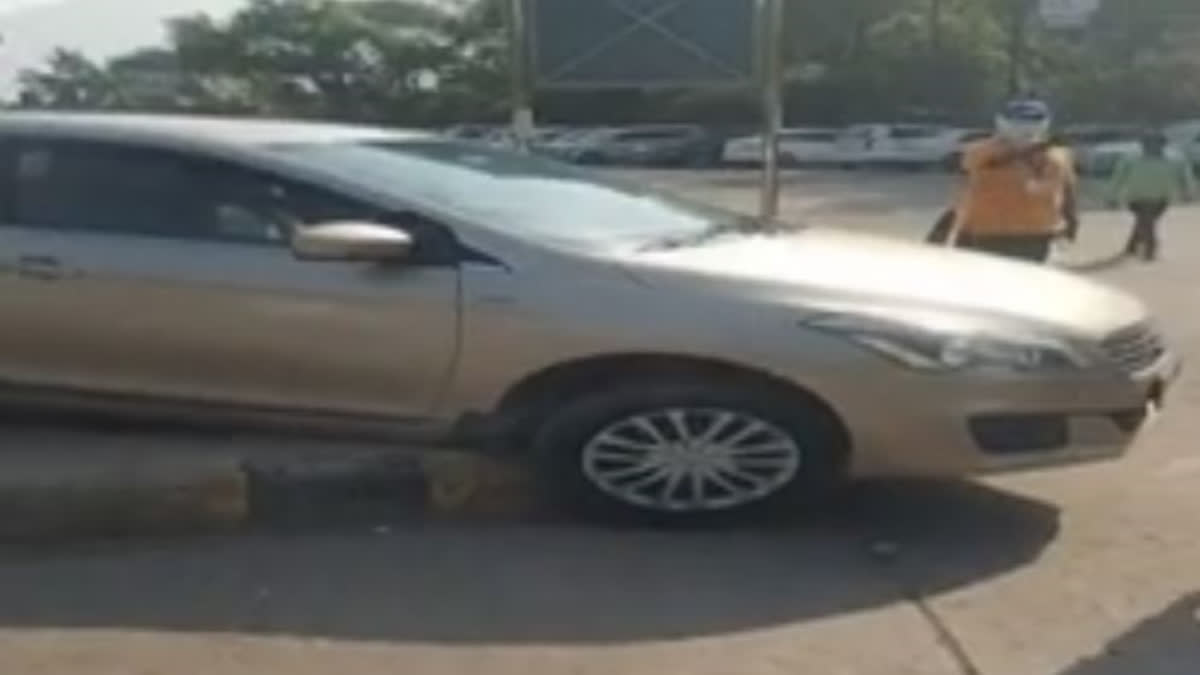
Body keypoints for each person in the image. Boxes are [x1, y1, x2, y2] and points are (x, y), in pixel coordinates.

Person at [932, 99, 1079, 262]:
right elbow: (962, 196)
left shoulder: (978, 153)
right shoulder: (979, 153)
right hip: (993, 235)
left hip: (1024, 236)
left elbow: (1067, 194)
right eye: (1019, 120)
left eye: (1030, 120)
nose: (1024, 126)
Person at [1106, 129, 1196, 261]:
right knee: (1147, 219)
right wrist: (1111, 196)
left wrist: (1189, 192)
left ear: (1163, 144)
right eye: (1148, 143)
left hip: (1162, 198)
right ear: (1142, 144)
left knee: (1145, 221)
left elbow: (1186, 177)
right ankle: (1150, 248)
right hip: (1136, 198)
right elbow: (1118, 178)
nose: (1152, 146)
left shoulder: (1176, 159)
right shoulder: (1130, 158)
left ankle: (1132, 246)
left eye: (1156, 143)